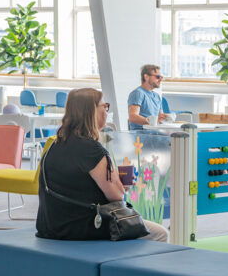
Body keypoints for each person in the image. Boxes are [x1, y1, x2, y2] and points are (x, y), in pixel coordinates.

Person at [37, 88, 168, 242]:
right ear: (92, 111)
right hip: (85, 227)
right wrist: (120, 184)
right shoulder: (92, 150)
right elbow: (117, 195)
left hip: (51, 226)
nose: (107, 111)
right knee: (160, 233)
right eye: (105, 106)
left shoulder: (55, 145)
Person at [127, 64, 167, 130]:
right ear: (146, 77)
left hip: (154, 132)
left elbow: (160, 118)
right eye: (157, 77)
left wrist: (165, 118)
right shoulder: (138, 93)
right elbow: (133, 117)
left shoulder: (157, 96)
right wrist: (153, 121)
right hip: (141, 134)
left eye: (161, 77)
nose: (160, 80)